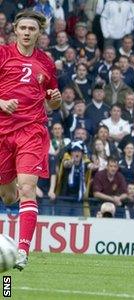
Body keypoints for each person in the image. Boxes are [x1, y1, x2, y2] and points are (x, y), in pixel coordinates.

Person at [0, 10, 61, 271]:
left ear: (39, 33)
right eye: (23, 28)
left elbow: (52, 100)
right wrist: (1, 102)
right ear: (15, 30)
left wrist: (55, 101)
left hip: (32, 132)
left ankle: (22, 251)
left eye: (32, 29)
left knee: (27, 189)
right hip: (3, 131)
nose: (26, 32)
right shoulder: (2, 54)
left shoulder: (46, 62)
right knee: (8, 196)